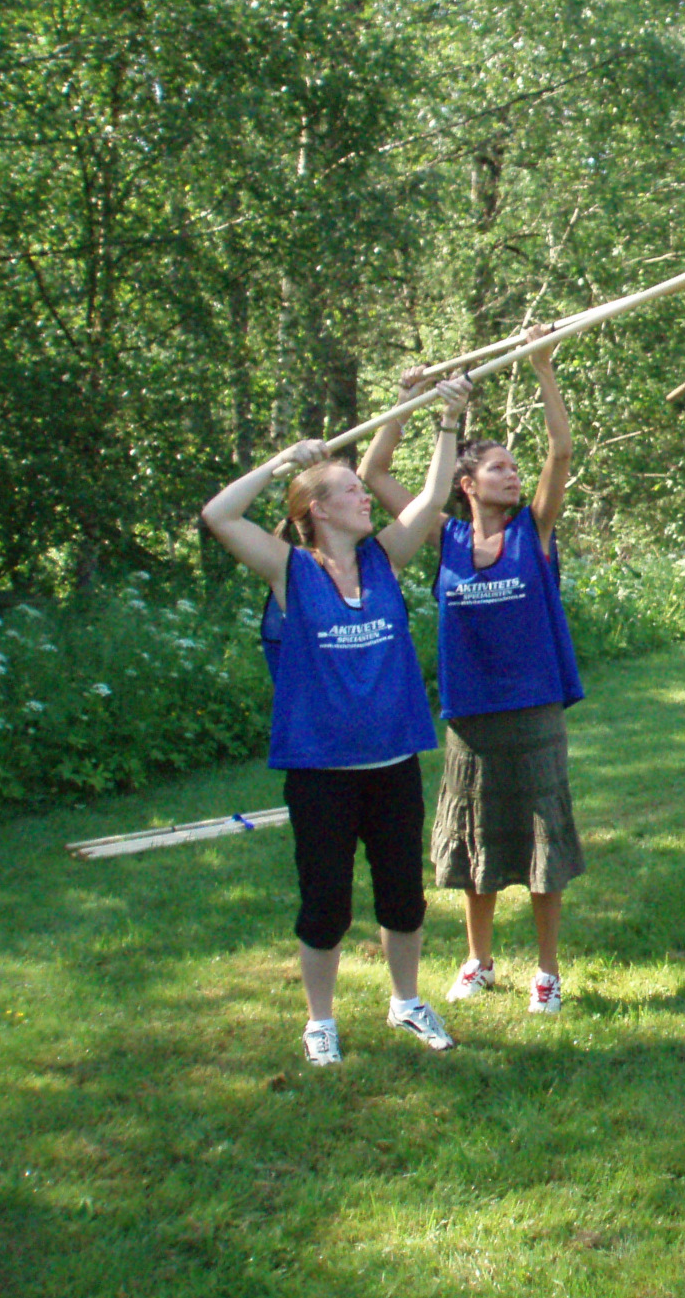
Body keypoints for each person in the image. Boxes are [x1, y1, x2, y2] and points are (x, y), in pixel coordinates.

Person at [199, 375, 474, 1066]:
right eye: (351, 488)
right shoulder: (289, 569)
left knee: (402, 899)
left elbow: (435, 496)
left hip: (392, 764)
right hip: (321, 771)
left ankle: (406, 1001)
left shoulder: (384, 559)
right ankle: (320, 1020)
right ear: (318, 509)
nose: (365, 494)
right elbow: (218, 516)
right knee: (325, 903)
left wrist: (449, 417)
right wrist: (278, 464)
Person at [359, 331, 585, 1016]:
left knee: (543, 845)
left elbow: (562, 451)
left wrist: (544, 370)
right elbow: (373, 474)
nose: (513, 476)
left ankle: (546, 972)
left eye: (514, 468)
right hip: (469, 714)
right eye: (498, 469)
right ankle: (479, 961)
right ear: (465, 483)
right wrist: (406, 402)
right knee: (473, 845)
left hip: (533, 708)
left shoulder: (533, 532)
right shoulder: (445, 535)